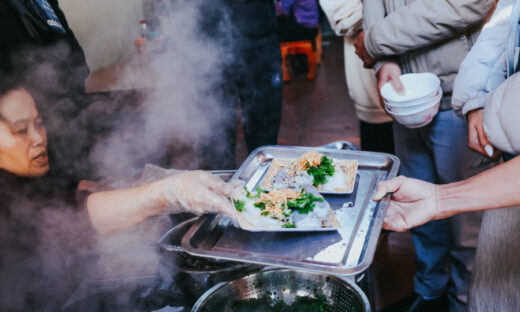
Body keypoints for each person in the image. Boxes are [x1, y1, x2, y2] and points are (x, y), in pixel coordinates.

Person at [0, 78, 235, 310]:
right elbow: (78, 215)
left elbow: (62, 195)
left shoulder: (26, 172)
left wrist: (100, 186)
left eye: (39, 123)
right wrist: (168, 192)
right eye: (21, 130)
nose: (38, 138)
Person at [353, 1, 496, 311]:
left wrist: (375, 42)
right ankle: (430, 291)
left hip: (460, 94)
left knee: (464, 220)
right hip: (406, 95)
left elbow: (467, 5)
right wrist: (384, 61)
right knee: (414, 206)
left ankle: (464, 299)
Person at [319, 0, 394, 154]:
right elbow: (342, 17)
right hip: (374, 94)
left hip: (427, 85)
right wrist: (395, 11)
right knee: (381, 161)